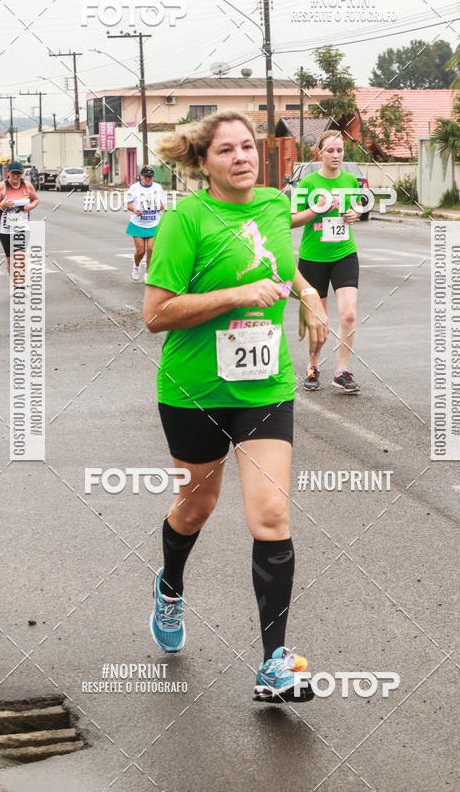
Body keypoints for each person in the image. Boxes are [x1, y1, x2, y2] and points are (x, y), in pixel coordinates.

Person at [144, 110, 328, 703]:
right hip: (195, 388)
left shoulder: (275, 205)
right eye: (226, 150)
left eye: (247, 146)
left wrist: (307, 296)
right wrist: (236, 296)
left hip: (265, 387)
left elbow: (281, 260)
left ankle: (275, 662)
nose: (241, 157)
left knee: (271, 514)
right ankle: (170, 586)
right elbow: (155, 314)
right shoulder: (185, 218)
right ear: (204, 162)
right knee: (196, 506)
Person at [290, 131, 362, 393]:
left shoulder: (350, 180)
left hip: (344, 253)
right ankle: (313, 366)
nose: (335, 155)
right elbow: (291, 220)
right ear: (319, 153)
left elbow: (357, 207)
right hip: (313, 258)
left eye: (340, 150)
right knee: (318, 319)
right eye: (330, 150)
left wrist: (355, 213)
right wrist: (316, 209)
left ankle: (342, 371)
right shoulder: (308, 183)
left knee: (349, 313)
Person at [0, 160, 39, 282]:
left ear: (21, 174)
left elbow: (36, 199)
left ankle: (21, 284)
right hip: (5, 228)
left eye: (18, 174)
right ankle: (16, 284)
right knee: (10, 259)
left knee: (20, 256)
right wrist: (3, 204)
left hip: (22, 226)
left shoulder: (27, 185)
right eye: (13, 174)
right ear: (9, 173)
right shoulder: (2, 186)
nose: (16, 177)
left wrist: (30, 206)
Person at [125, 166, 166, 283]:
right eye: (145, 176)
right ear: (141, 176)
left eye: (150, 176)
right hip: (138, 224)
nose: (148, 179)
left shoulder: (158, 187)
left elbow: (163, 204)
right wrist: (135, 210)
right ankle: (136, 266)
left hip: (153, 223)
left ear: (153, 177)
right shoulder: (134, 188)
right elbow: (127, 204)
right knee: (141, 251)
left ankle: (148, 273)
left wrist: (159, 206)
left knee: (151, 249)